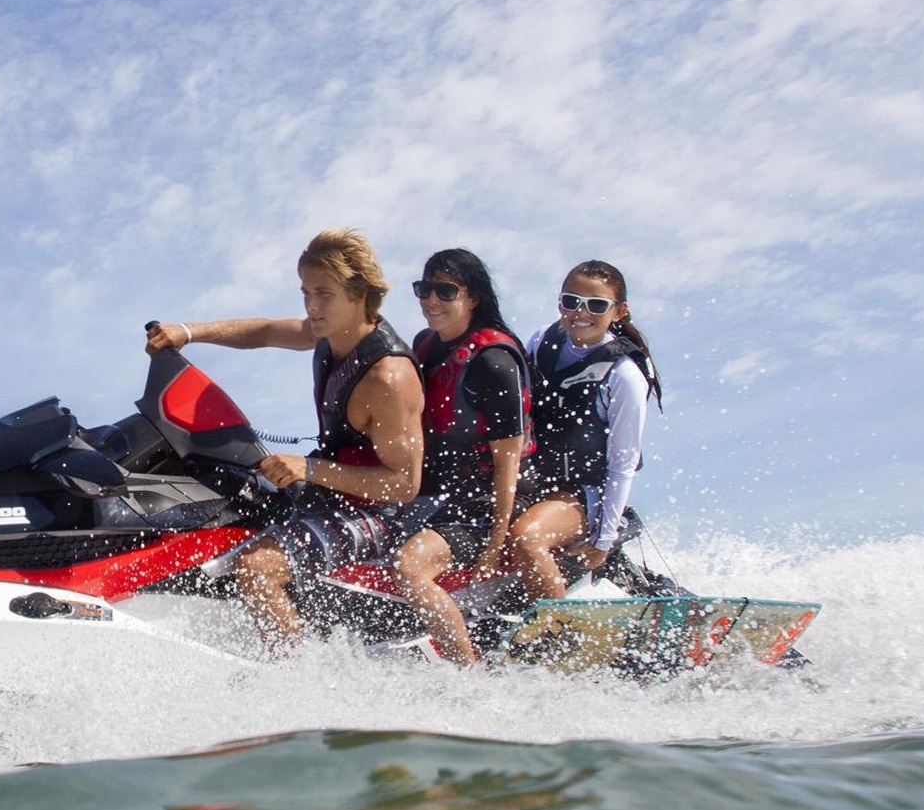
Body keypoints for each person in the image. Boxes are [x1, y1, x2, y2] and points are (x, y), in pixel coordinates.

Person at [144, 228, 424, 653]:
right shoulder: (330, 332)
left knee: (258, 568)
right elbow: (264, 331)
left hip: (376, 515)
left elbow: (403, 485)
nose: (311, 306)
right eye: (305, 292)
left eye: (323, 294)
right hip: (324, 489)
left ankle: (292, 682)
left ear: (360, 293)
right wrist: (188, 331)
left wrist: (309, 469)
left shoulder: (388, 377)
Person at [390, 249, 534, 665]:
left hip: (484, 502)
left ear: (472, 298)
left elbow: (510, 468)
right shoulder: (425, 345)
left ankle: (469, 672)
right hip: (432, 493)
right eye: (424, 289)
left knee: (410, 567)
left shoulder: (494, 362)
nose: (430, 300)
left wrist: (494, 544)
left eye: (445, 291)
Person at [507, 260, 663, 603]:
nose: (581, 312)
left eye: (596, 305)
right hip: (534, 483)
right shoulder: (541, 341)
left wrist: (603, 541)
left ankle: (558, 636)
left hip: (585, 495)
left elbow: (622, 464)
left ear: (619, 311)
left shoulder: (623, 376)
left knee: (526, 537)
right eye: (571, 301)